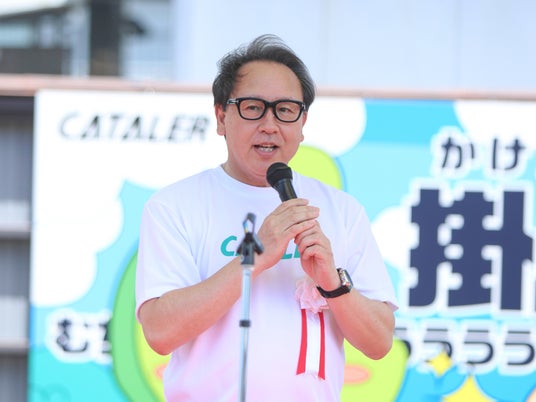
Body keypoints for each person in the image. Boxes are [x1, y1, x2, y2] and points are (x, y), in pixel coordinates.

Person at [136, 34, 398, 401]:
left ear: (302, 122)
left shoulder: (341, 210)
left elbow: (379, 342)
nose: (270, 125)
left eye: (285, 110)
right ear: (221, 116)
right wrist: (255, 256)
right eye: (253, 107)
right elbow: (160, 332)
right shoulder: (174, 206)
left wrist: (333, 282)